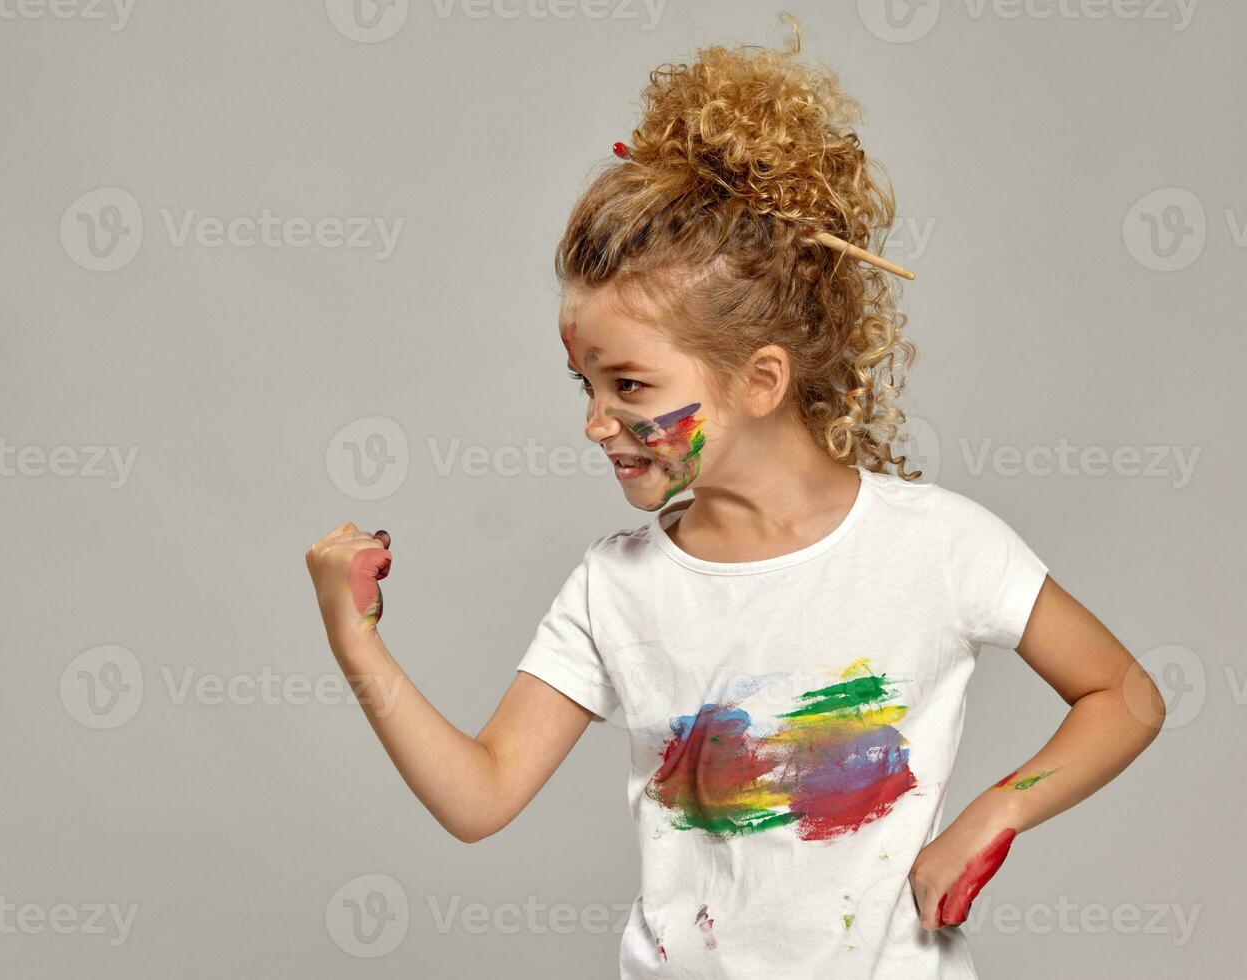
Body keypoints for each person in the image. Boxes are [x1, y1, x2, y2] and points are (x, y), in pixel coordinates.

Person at [305, 14, 1165, 978]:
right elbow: (481, 796)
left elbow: (1124, 694)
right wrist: (356, 641)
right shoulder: (614, 589)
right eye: (584, 387)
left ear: (761, 380)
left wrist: (996, 811)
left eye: (629, 386)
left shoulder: (940, 547)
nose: (596, 421)